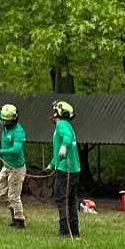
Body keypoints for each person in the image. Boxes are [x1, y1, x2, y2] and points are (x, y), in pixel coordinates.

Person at [0, 99, 27, 228]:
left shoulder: (18, 132)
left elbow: (17, 149)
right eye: (4, 120)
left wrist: (0, 151)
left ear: (13, 119)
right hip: (6, 166)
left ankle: (19, 220)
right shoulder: (4, 122)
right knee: (0, 191)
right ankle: (13, 210)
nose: (4, 122)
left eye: (7, 121)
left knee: (14, 196)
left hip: (16, 169)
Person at [52, 99, 81, 239]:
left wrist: (64, 146)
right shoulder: (67, 125)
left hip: (66, 170)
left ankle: (64, 230)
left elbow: (67, 138)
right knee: (71, 200)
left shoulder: (61, 124)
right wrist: (52, 164)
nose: (53, 113)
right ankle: (74, 230)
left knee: (62, 199)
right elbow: (57, 150)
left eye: (55, 110)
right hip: (74, 169)